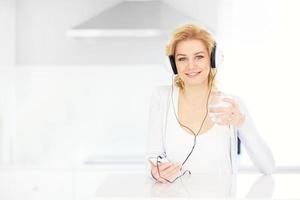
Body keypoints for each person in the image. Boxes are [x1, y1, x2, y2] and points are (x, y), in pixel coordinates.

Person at [146, 23, 275, 184]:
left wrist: (242, 123)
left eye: (199, 57)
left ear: (213, 59)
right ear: (173, 64)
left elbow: (268, 167)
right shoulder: (162, 97)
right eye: (182, 59)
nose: (191, 66)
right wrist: (155, 172)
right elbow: (153, 158)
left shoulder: (231, 105)